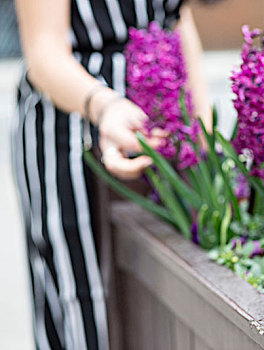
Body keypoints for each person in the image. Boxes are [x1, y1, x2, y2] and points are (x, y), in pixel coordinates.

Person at [12, 0, 210, 348]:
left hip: (166, 133)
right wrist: (107, 107)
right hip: (75, 132)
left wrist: (203, 133)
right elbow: (44, 52)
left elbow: (179, 19)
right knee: (88, 305)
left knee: (166, 303)